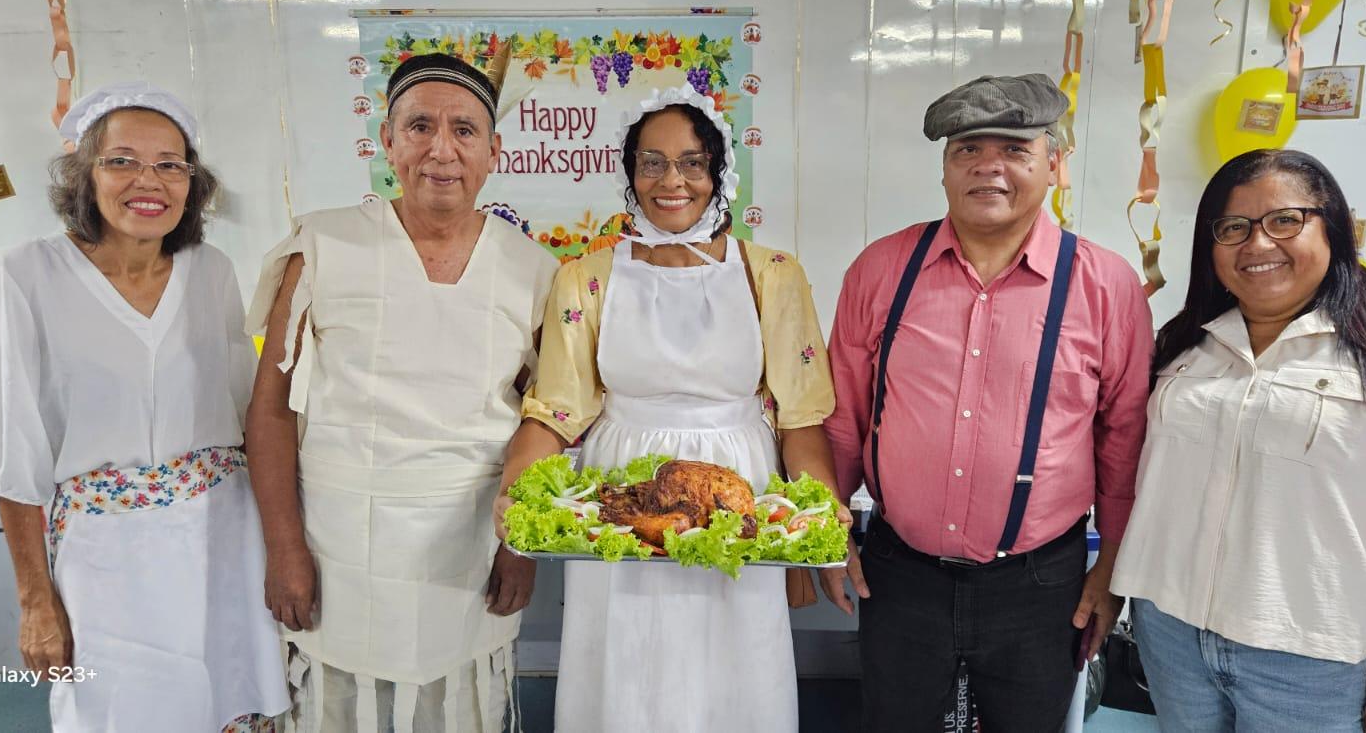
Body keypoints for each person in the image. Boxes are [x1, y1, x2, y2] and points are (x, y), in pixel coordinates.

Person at [1110, 149, 1366, 733]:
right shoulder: (1186, 343)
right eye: (1233, 228)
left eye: (1284, 221)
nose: (1257, 244)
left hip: (1313, 655)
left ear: (1333, 227)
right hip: (1172, 632)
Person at [495, 86, 842, 732]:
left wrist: (814, 536)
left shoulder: (772, 273)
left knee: (735, 675)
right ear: (631, 174)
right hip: (625, 500)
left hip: (738, 495)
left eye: (692, 162)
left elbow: (801, 422)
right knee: (628, 670)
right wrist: (515, 494)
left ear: (719, 171)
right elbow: (555, 411)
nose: (672, 180)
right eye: (651, 162)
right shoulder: (587, 279)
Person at [823, 73, 1155, 732]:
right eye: (967, 150)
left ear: (1055, 165)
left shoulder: (1106, 284)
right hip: (899, 573)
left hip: (1041, 585)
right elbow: (842, 417)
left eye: (1014, 149)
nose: (987, 167)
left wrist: (1112, 567)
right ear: (945, 169)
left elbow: (1124, 439)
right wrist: (827, 537)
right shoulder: (880, 270)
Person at [244, 52, 556, 732]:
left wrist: (520, 546)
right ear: (386, 141)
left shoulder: (533, 269)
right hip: (338, 548)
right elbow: (268, 410)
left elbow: (547, 422)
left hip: (470, 545)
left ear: (493, 152)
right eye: (419, 126)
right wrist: (284, 546)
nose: (441, 149)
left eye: (464, 130)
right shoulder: (323, 246)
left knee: (461, 707)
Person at [0, 82, 288, 732]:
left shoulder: (212, 271)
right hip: (106, 556)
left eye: (170, 163)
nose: (149, 180)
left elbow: (249, 419)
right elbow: (12, 456)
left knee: (229, 700)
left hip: (223, 540)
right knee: (119, 710)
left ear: (191, 182)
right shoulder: (24, 275)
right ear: (83, 174)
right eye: (121, 160)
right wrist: (35, 597)